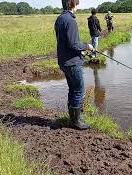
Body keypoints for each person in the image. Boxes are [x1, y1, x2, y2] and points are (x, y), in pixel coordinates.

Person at [55, 0, 93, 130]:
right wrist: (87, 46)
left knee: (72, 90)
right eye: (77, 3)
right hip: (72, 62)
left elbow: (66, 42)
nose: (78, 6)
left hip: (64, 61)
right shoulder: (70, 20)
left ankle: (73, 119)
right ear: (72, 4)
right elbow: (74, 44)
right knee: (79, 91)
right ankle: (75, 121)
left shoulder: (59, 19)